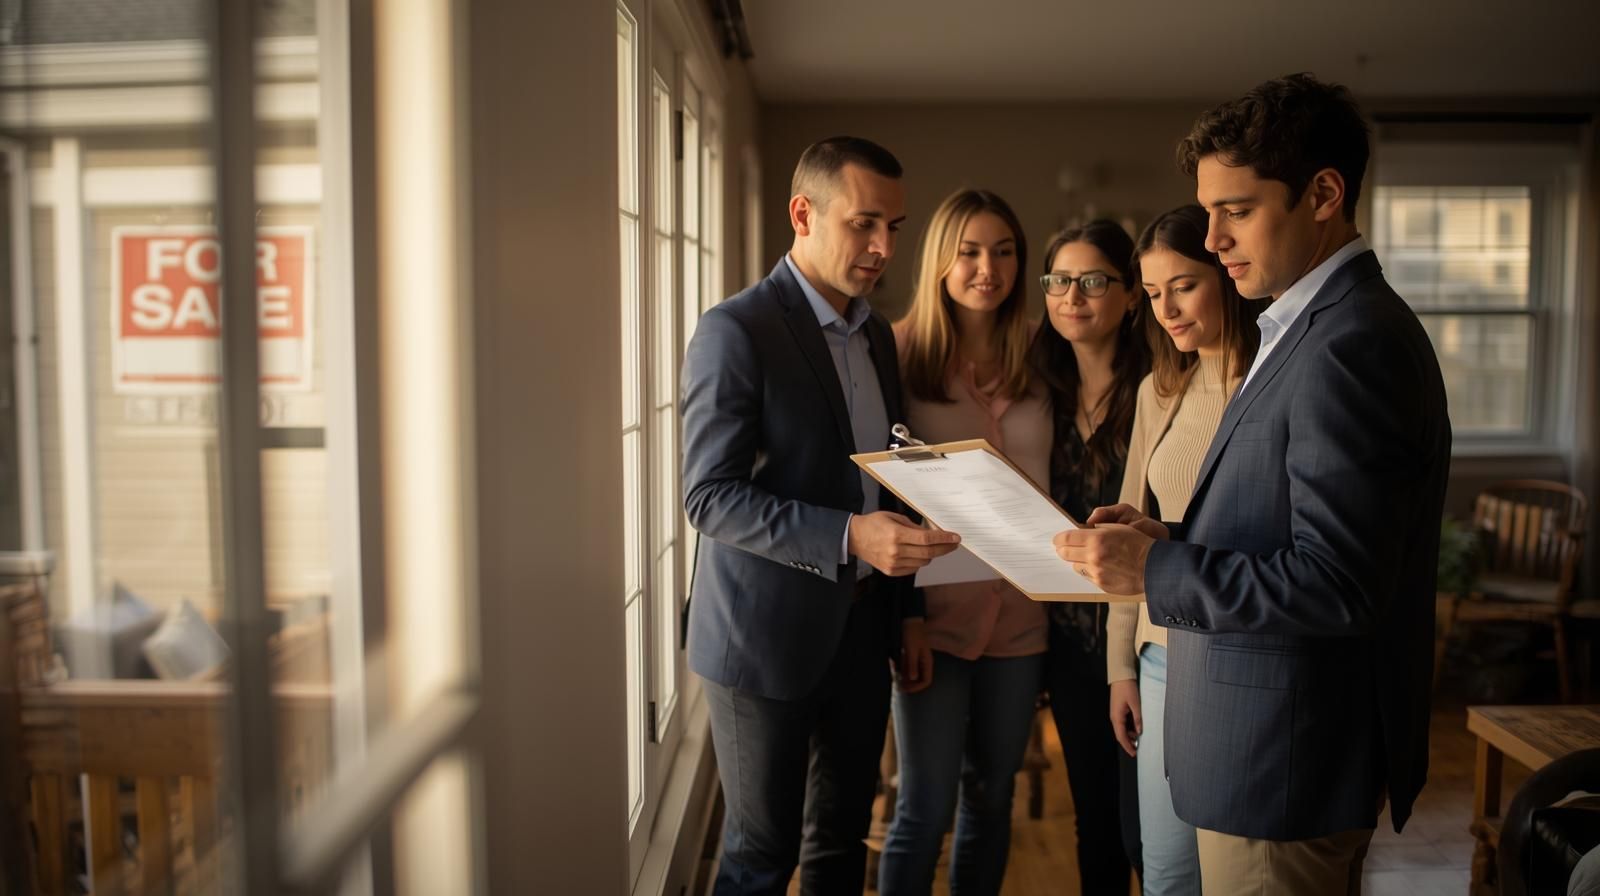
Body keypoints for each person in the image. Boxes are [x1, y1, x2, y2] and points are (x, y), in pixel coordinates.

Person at [1054, 73, 1452, 896]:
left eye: (1235, 210)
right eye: (1208, 212)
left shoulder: (1351, 342)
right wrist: (1171, 539)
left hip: (1285, 764)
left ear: (1324, 195)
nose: (1216, 236)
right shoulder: (1301, 322)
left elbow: (1341, 583)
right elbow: (1288, 528)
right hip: (1258, 748)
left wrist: (1154, 574)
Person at [681, 136, 962, 895]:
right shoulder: (735, 331)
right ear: (803, 214)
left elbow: (890, 481)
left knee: (840, 847)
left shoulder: (875, 333)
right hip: (761, 637)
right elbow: (708, 495)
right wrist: (847, 535)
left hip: (865, 630)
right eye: (864, 224)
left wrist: (907, 615)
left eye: (894, 228)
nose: (882, 248)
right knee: (760, 858)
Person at [878, 189, 1047, 895]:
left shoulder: (1044, 355)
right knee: (922, 807)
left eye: (1004, 251)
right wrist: (902, 619)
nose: (989, 268)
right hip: (932, 619)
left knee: (993, 795)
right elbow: (881, 493)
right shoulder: (894, 351)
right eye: (970, 251)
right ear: (941, 260)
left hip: (1023, 617)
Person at [1106, 205, 1262, 894]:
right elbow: (1130, 537)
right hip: (1160, 653)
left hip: (1239, 654)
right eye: (1151, 292)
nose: (1166, 308)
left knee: (1233, 870)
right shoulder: (1159, 390)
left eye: (1184, 285)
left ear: (1227, 276)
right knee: (1166, 868)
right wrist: (1121, 667)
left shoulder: (1270, 386)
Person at [1027, 220, 1149, 894]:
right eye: (1059, 280)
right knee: (1095, 821)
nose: (1072, 295)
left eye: (1093, 280)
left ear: (1132, 295)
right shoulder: (1038, 393)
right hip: (1069, 639)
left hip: (1147, 639)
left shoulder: (1160, 391)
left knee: (1146, 830)